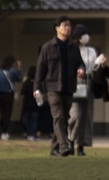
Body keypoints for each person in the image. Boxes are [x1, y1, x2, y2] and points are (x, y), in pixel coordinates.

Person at [35, 16, 84, 157]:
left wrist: (81, 69)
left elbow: (80, 62)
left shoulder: (73, 48)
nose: (68, 28)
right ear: (57, 28)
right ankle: (64, 146)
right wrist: (37, 88)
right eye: (64, 25)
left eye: (69, 26)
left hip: (68, 87)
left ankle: (54, 149)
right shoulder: (47, 47)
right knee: (58, 117)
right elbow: (40, 69)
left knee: (64, 120)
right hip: (52, 88)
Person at [68, 24, 100, 156]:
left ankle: (81, 146)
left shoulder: (91, 51)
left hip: (87, 82)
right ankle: (70, 141)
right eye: (83, 34)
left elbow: (94, 68)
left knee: (86, 115)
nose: (86, 37)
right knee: (75, 114)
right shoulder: (70, 49)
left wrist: (99, 63)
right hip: (74, 83)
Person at [0, 55, 22, 140]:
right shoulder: (11, 71)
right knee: (7, 113)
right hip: (8, 93)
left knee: (2, 112)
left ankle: (3, 129)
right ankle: (4, 132)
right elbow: (19, 78)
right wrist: (19, 68)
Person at [20, 66, 39, 141]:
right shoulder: (38, 84)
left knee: (26, 120)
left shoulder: (26, 83)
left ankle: (28, 133)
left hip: (26, 105)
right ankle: (32, 134)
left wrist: (19, 102)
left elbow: (22, 95)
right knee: (34, 121)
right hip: (35, 105)